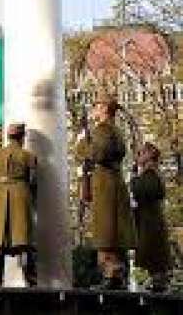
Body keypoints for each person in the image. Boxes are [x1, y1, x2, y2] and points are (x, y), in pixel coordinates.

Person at [77, 94, 136, 290]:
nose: (94, 109)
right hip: (113, 182)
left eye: (96, 106)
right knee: (112, 232)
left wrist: (83, 143)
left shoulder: (102, 130)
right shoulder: (116, 130)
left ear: (104, 108)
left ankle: (112, 276)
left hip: (104, 184)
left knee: (106, 233)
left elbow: (98, 154)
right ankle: (116, 275)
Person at [0, 122, 38, 287]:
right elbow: (34, 183)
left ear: (8, 136)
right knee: (24, 242)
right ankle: (30, 282)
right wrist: (32, 202)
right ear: (22, 137)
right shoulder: (29, 157)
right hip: (21, 197)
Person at [131, 142, 170, 292]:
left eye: (141, 153)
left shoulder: (152, 175)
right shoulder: (150, 175)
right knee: (150, 254)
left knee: (153, 252)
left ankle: (159, 282)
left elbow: (140, 191)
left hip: (151, 222)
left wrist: (134, 179)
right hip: (148, 220)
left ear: (149, 156)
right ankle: (156, 282)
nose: (138, 156)